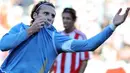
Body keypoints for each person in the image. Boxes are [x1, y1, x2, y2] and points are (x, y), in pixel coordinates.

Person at [0, 1, 129, 73]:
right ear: (34, 15)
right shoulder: (20, 28)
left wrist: (112, 26)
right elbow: (3, 45)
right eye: (46, 13)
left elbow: (89, 45)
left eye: (52, 16)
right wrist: (30, 31)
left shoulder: (55, 39)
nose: (49, 18)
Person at [50, 8, 89, 73]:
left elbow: (84, 60)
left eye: (68, 18)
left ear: (74, 20)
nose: (65, 20)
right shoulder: (58, 36)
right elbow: (53, 58)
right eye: (63, 18)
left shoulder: (80, 37)